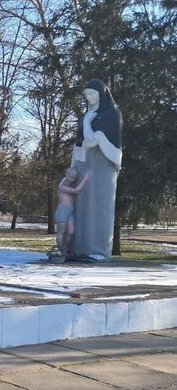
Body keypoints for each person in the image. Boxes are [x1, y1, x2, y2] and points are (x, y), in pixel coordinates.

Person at [70, 78, 123, 260]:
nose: (89, 98)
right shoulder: (86, 115)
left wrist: (88, 122)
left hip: (103, 168)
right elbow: (78, 144)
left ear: (102, 94)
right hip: (84, 166)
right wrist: (72, 168)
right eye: (86, 95)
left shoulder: (112, 114)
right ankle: (79, 248)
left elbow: (92, 141)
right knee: (83, 208)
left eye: (92, 94)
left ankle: (98, 250)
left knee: (100, 207)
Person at [54, 167, 90, 256]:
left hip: (70, 211)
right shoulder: (62, 186)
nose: (71, 178)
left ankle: (64, 249)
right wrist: (85, 179)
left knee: (70, 232)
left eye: (74, 177)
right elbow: (76, 191)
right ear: (66, 175)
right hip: (62, 210)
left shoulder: (69, 184)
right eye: (69, 176)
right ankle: (59, 249)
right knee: (61, 231)